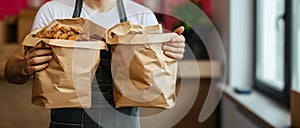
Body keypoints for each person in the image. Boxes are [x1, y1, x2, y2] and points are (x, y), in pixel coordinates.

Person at [5, 0, 185, 127]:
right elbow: (11, 72)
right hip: (67, 124)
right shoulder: (53, 12)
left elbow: (157, 81)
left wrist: (171, 52)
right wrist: (23, 67)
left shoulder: (142, 17)